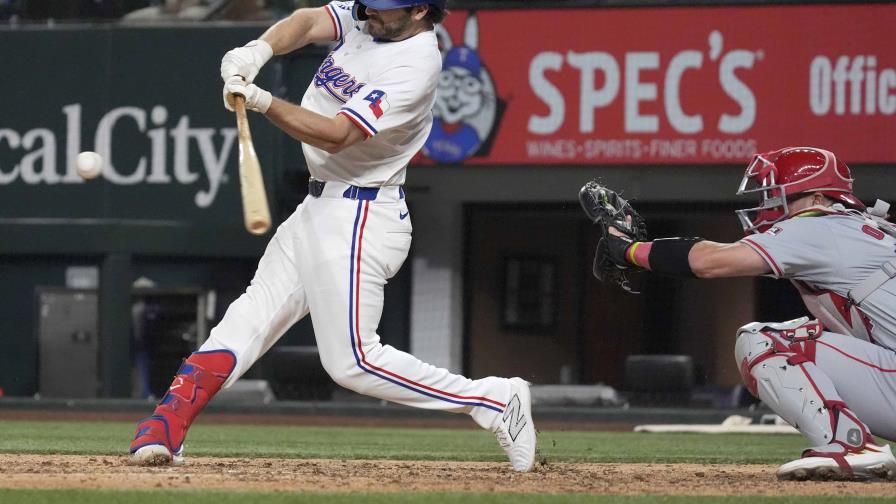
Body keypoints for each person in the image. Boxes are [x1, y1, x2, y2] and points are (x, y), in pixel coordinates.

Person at [129, 0, 536, 473]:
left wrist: (261, 100)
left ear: (422, 10)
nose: (369, 16)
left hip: (362, 214)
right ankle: (166, 423)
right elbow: (306, 22)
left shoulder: (416, 63)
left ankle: (493, 399)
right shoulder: (372, 19)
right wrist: (257, 51)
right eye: (367, 5)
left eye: (383, 10)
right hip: (318, 206)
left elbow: (336, 134)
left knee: (353, 363)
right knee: (250, 316)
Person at [593, 146, 896, 481]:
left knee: (765, 342)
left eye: (778, 197)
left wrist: (629, 249)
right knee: (806, 337)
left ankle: (852, 446)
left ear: (817, 198)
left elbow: (710, 261)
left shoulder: (821, 227)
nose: (768, 207)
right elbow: (720, 253)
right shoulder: (857, 229)